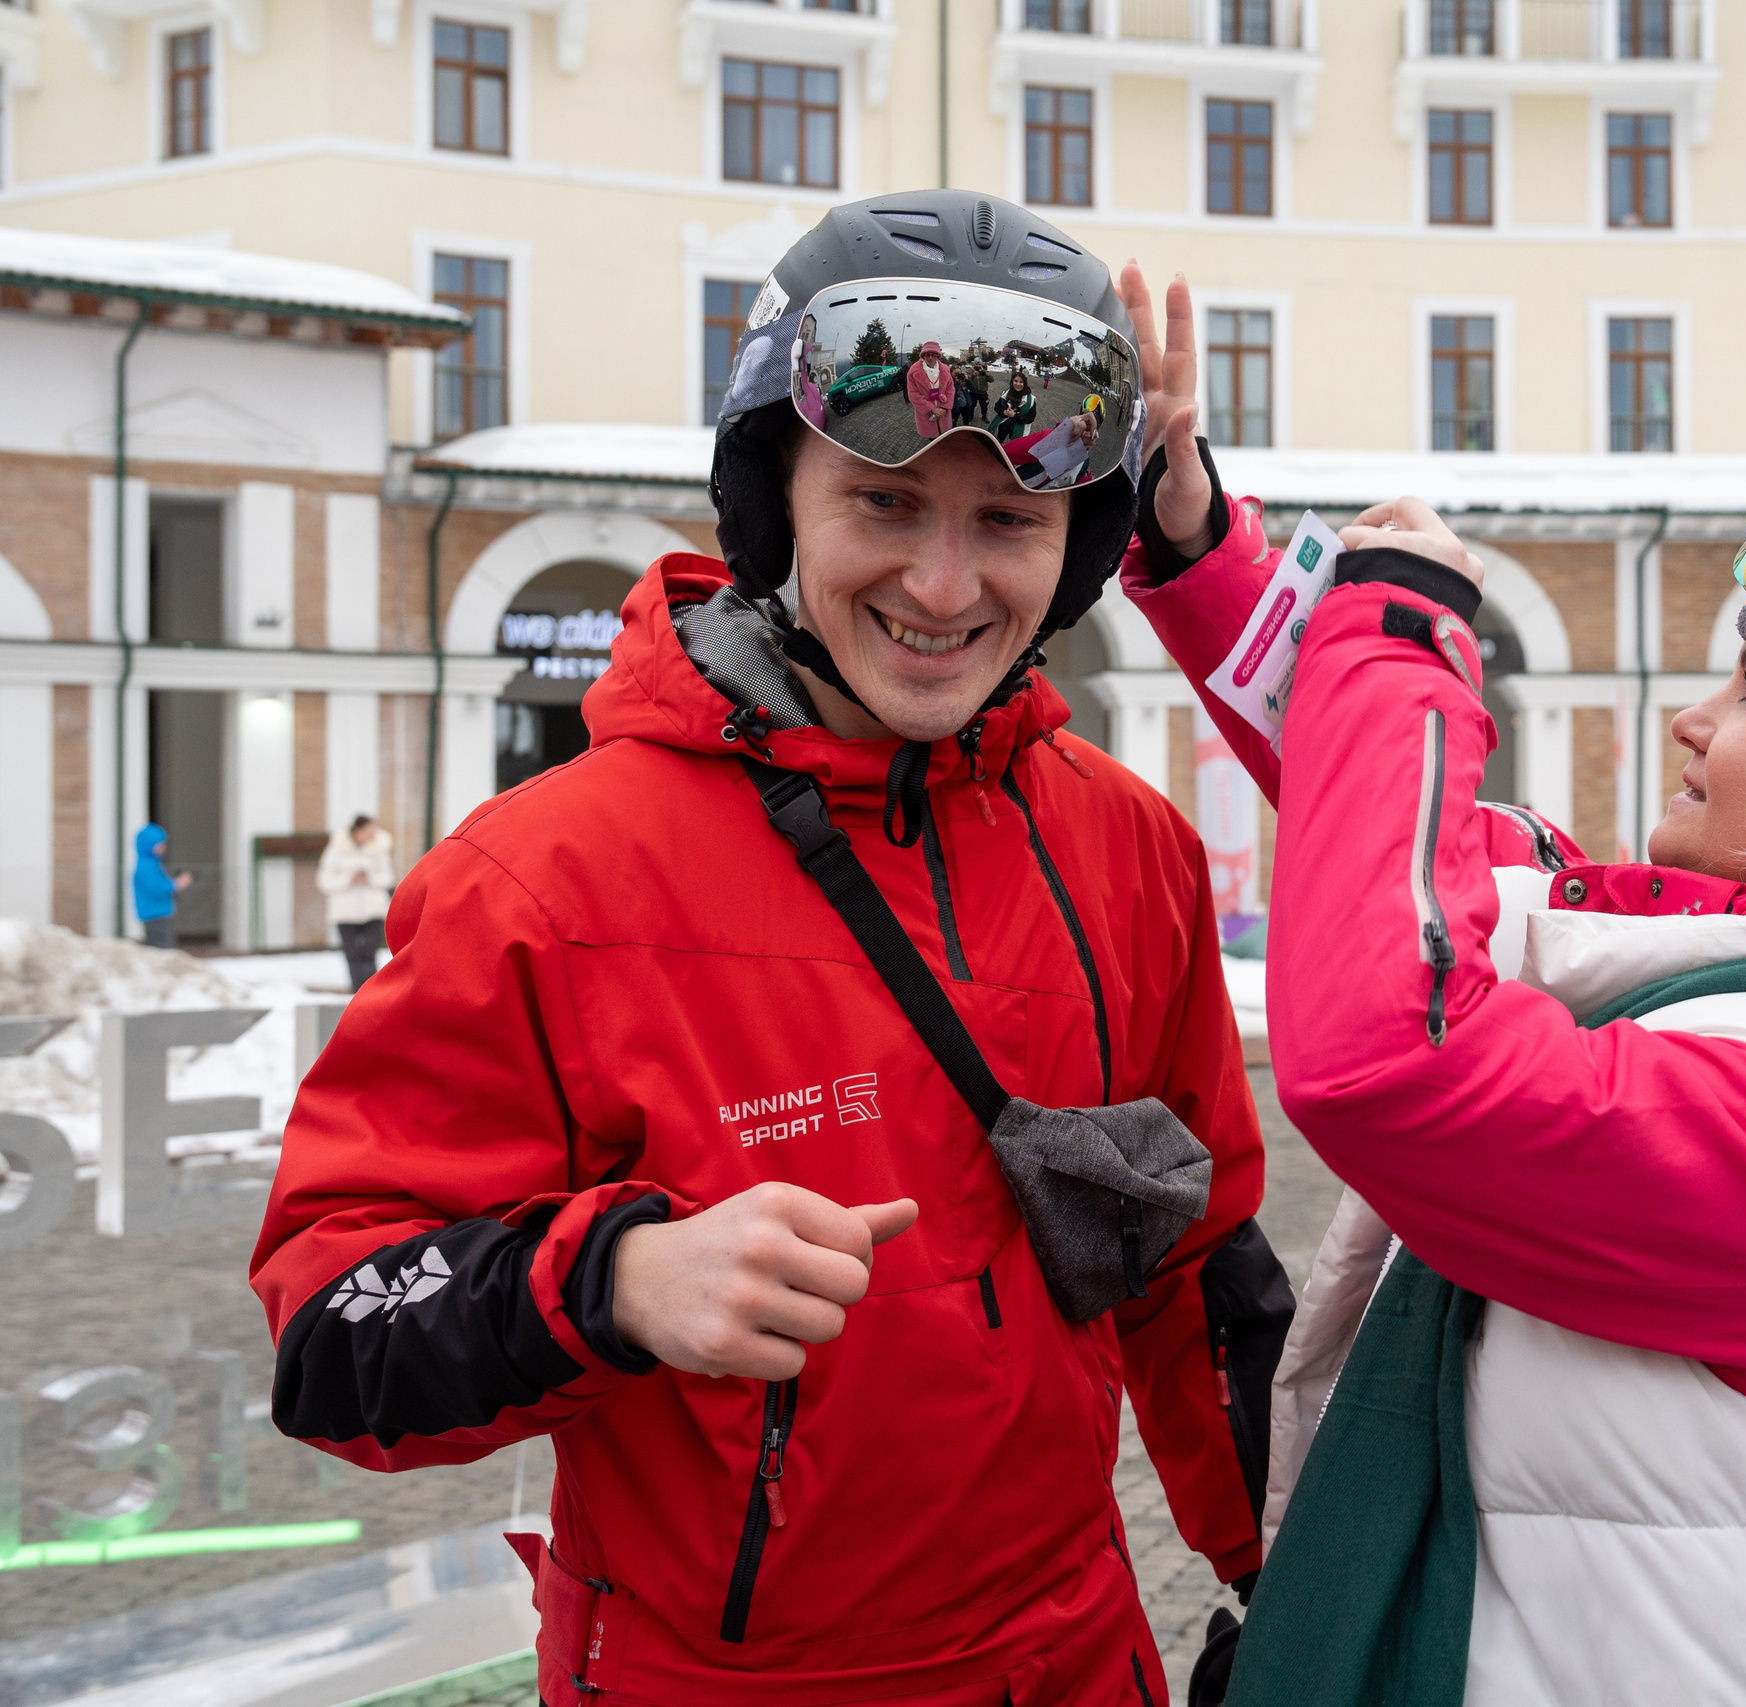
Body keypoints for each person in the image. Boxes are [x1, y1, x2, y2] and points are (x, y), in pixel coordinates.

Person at [251, 194, 1292, 1707]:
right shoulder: (540, 877)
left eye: (1008, 520)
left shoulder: (1131, 850)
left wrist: (1298, 1585)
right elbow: (329, 1327)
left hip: (1079, 1661)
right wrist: (612, 1276)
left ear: (1075, 551)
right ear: (774, 498)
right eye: (883, 502)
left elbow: (1199, 1270)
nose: (945, 588)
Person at [1113, 273, 1746, 1702]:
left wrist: (1401, 635)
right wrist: (1193, 541)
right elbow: (1419, 849)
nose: (1692, 716)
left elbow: (1392, 1056)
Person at [314, 813, 396, 993]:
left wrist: (369, 878)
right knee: (352, 955)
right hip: (345, 911)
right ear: (357, 830)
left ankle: (371, 992)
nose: (372, 834)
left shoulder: (378, 849)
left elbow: (388, 877)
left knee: (369, 953)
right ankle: (356, 992)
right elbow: (324, 879)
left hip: (373, 910)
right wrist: (349, 879)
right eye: (368, 830)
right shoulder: (337, 848)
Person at [131, 823, 191, 950]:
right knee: (161, 948)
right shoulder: (146, 866)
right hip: (154, 914)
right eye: (160, 844)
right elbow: (157, 888)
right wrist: (177, 883)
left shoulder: (152, 864)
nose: (163, 847)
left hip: (159, 912)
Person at [905, 337, 954, 439]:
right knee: (932, 440)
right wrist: (931, 408)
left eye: (933, 354)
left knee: (944, 436)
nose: (930, 358)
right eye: (927, 354)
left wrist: (944, 407)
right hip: (926, 414)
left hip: (943, 411)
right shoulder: (913, 372)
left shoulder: (945, 369)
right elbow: (913, 394)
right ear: (923, 356)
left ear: (938, 356)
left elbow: (950, 389)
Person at [995, 367, 1039, 439]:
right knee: (999, 441)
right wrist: (1003, 411)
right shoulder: (1006, 394)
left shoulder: (1031, 399)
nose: (1018, 384)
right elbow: (997, 407)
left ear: (1024, 383)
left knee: (1013, 446)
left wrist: (1014, 416)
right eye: (1015, 381)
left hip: (1019, 428)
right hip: (1004, 425)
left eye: (1021, 382)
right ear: (1012, 382)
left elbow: (1030, 418)